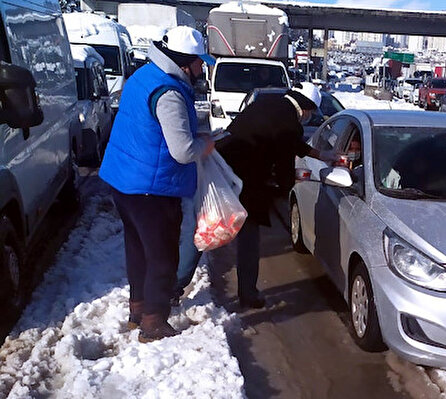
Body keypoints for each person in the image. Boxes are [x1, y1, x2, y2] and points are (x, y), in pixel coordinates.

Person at [99, 26, 216, 342]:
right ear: (185, 61)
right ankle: (153, 323)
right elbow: (182, 150)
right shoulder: (170, 93)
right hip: (152, 188)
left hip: (124, 181)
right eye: (199, 62)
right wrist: (204, 145)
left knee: (137, 249)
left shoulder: (143, 76)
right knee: (163, 257)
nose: (202, 67)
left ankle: (138, 309)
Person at [217, 82, 336, 309]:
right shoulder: (289, 123)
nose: (309, 117)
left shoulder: (269, 104)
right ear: (306, 107)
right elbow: (284, 166)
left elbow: (291, 143)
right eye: (310, 112)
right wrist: (286, 186)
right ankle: (248, 294)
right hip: (246, 182)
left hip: (222, 170)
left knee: (205, 228)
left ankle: (176, 285)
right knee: (249, 238)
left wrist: (322, 155)